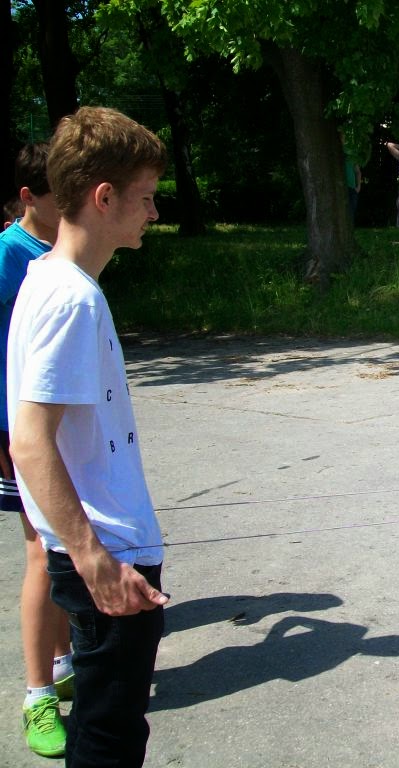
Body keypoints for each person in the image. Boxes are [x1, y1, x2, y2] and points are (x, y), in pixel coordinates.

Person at [8, 106, 170, 766]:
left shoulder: (49, 278)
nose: (153, 214)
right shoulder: (70, 296)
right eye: (146, 198)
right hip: (109, 552)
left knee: (109, 729)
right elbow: (29, 439)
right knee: (109, 738)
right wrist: (92, 555)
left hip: (104, 546)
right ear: (104, 198)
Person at [1, 142, 73, 758]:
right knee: (40, 553)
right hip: (17, 432)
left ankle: (62, 657)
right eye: (58, 193)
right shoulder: (9, 253)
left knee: (57, 549)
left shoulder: (56, 253)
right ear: (30, 197)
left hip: (56, 432)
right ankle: (36, 695)